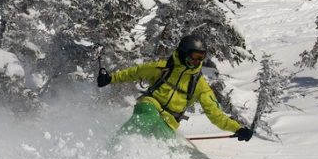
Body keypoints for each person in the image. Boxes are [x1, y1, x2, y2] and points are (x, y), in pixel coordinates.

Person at [97, 35, 254, 142]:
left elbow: (215, 114)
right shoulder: (164, 68)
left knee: (167, 145)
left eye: (201, 57)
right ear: (184, 53)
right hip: (151, 104)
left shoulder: (199, 84)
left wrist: (238, 129)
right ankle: (113, 151)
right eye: (195, 56)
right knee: (147, 117)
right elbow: (135, 72)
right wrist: (110, 78)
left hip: (169, 120)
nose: (197, 61)